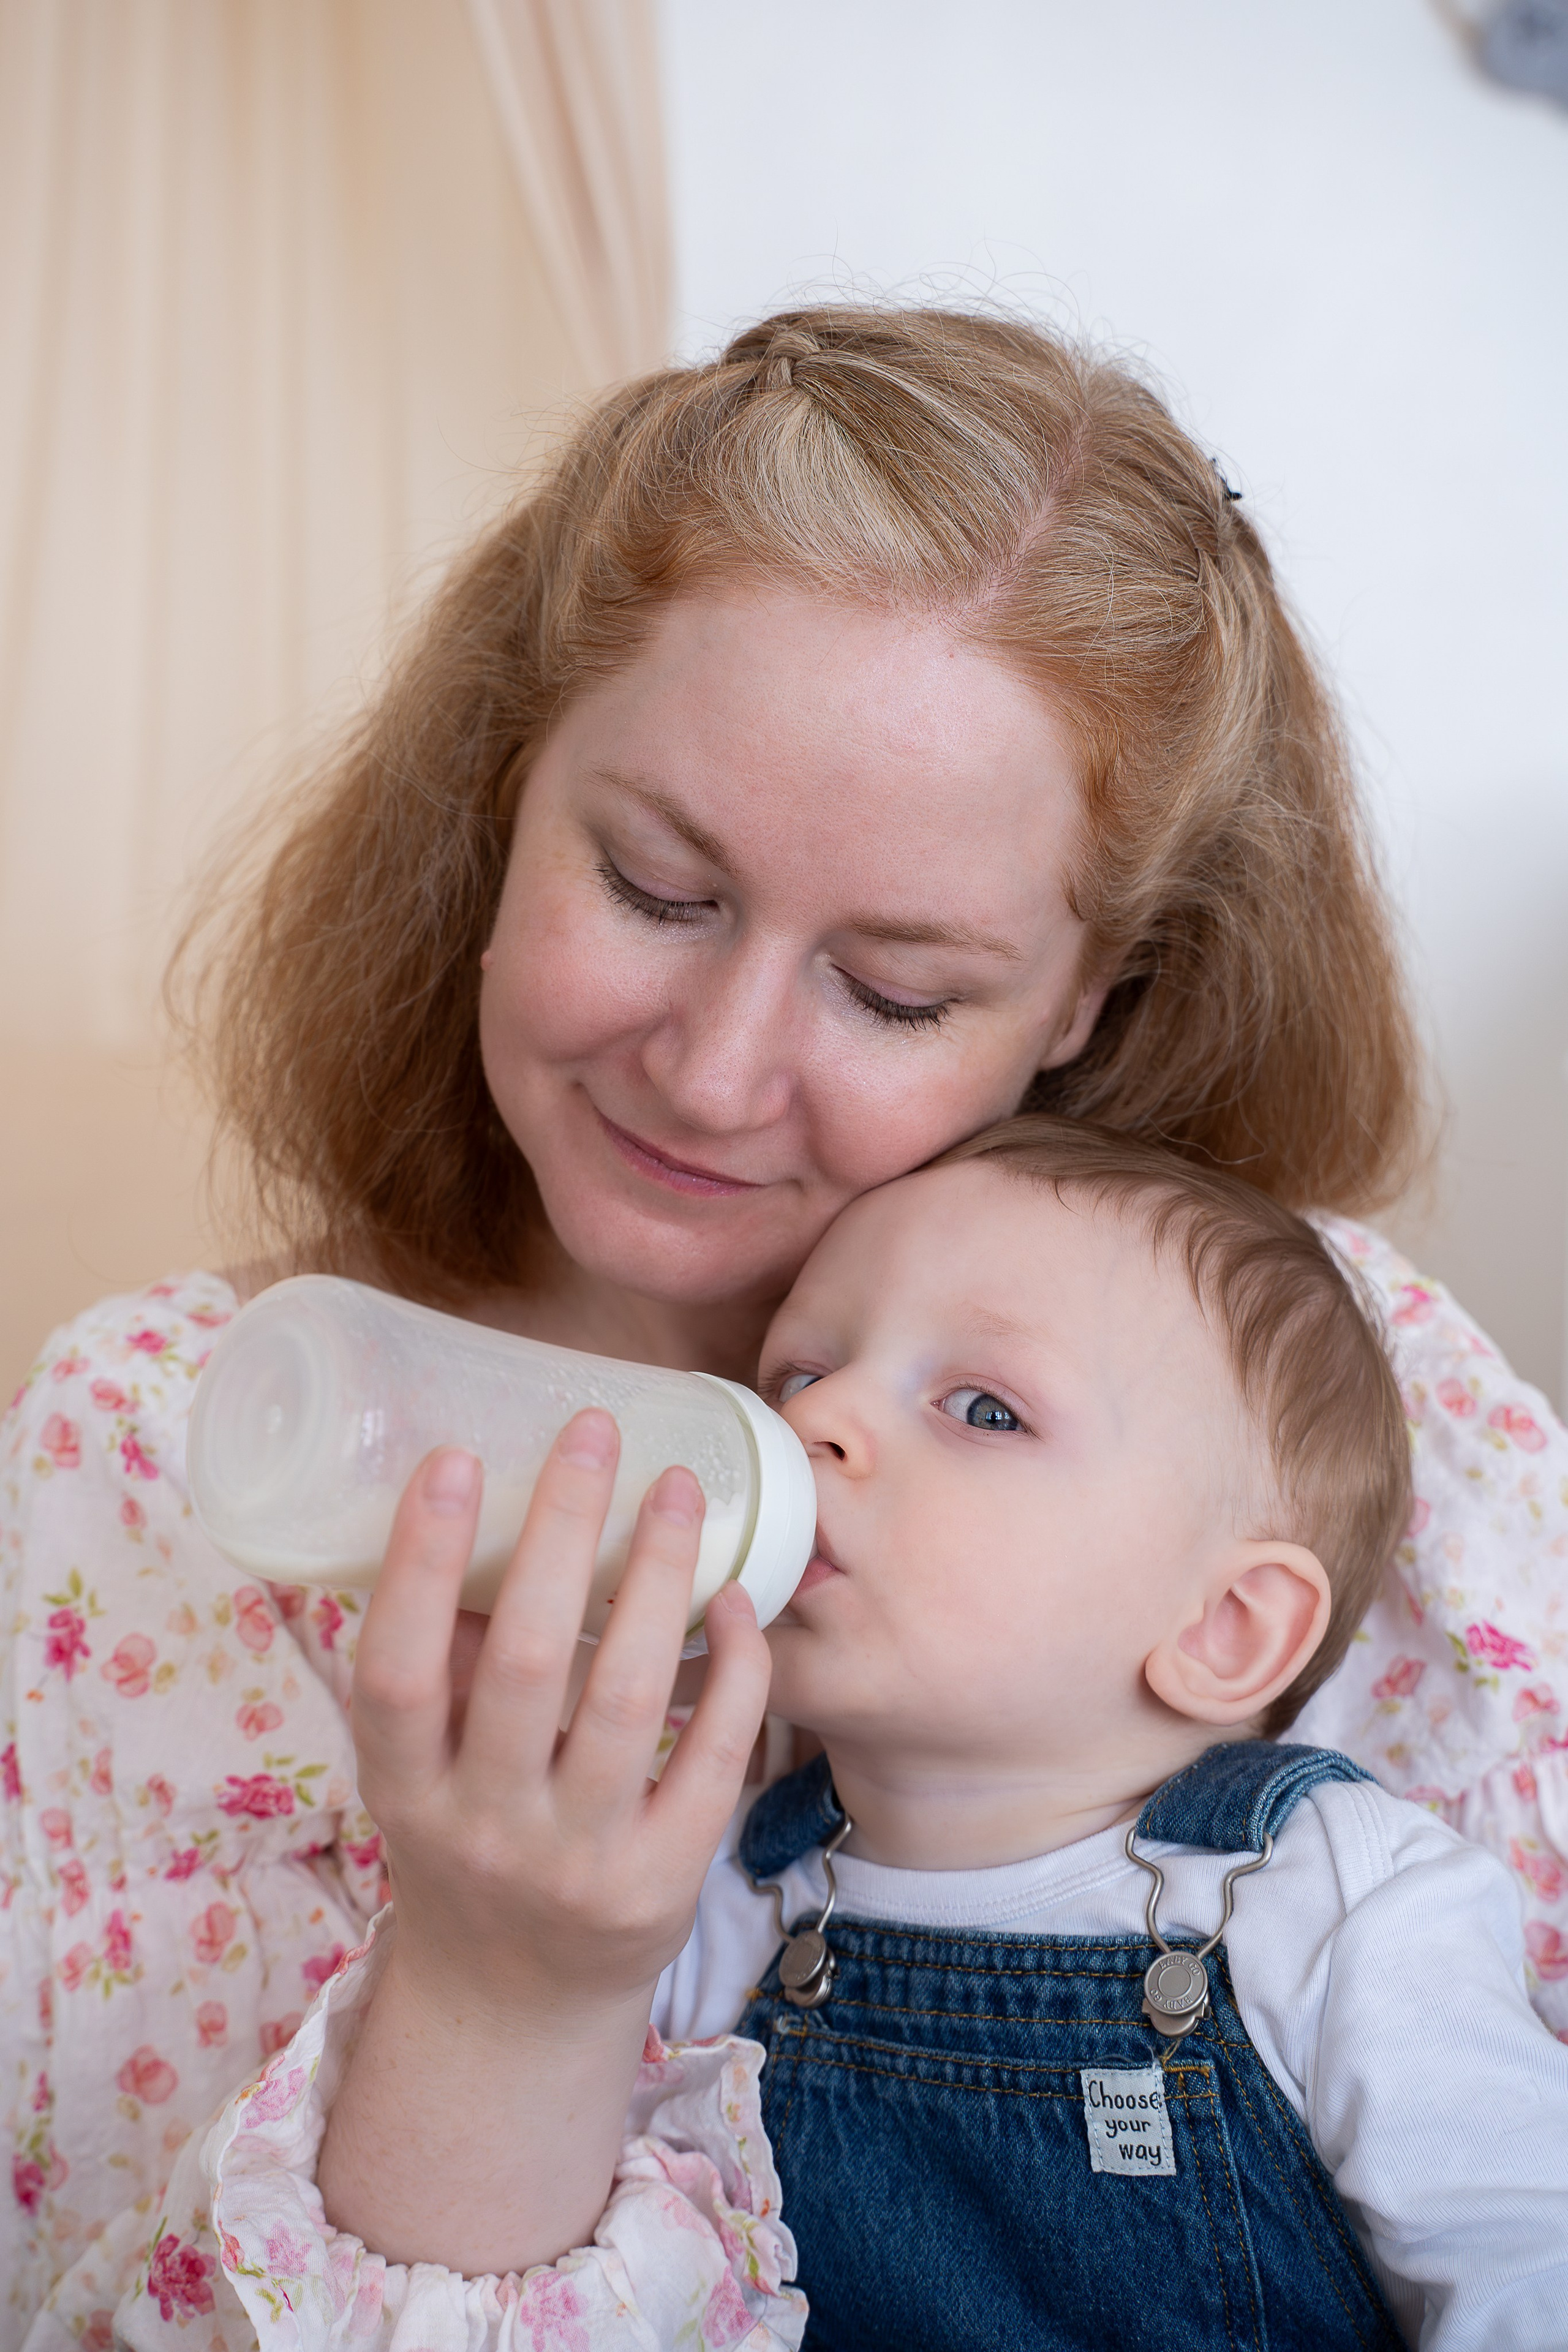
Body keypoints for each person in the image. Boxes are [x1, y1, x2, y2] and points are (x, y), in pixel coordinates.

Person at [5, 305, 1565, 2348]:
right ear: (504, 790)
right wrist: (493, 2000)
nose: (720, 1072)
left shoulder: (1353, 1403)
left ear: (1092, 999)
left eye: (900, 990)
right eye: (656, 885)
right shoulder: (174, 1458)